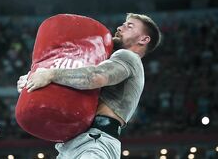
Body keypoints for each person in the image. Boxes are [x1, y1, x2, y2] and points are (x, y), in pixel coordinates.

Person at [17, 13, 161, 159]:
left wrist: (50, 74)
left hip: (95, 141)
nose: (120, 27)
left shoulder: (128, 56)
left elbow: (95, 77)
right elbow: (76, 76)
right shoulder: (114, 60)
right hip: (81, 141)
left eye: (129, 26)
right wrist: (33, 80)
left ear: (144, 39)